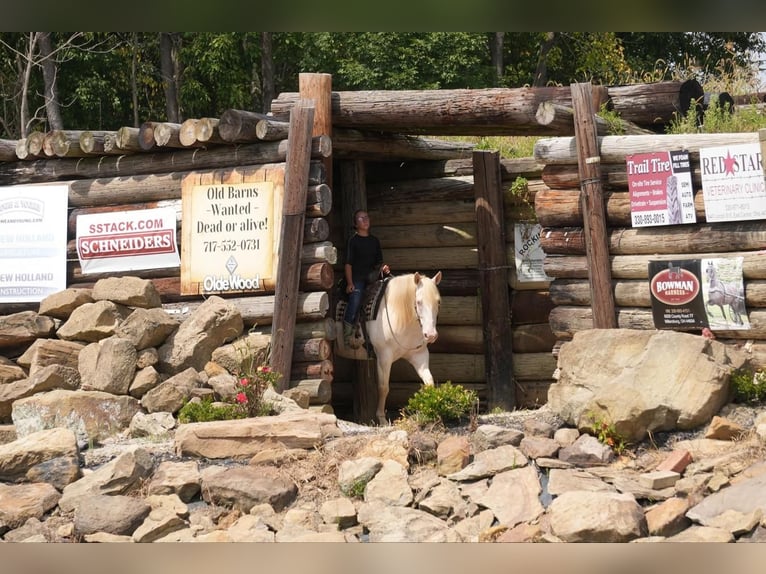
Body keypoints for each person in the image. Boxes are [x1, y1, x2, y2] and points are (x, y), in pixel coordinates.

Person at [343, 209, 390, 345]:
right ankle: (348, 334)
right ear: (355, 224)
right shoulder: (353, 241)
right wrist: (350, 283)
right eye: (361, 218)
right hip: (357, 278)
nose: (365, 220)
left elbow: (378, 263)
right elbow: (348, 264)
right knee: (356, 300)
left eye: (366, 217)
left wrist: (383, 268)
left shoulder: (374, 241)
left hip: (373, 277)